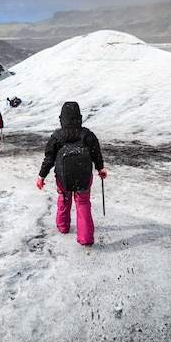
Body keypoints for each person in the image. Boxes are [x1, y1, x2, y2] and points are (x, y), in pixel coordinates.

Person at [36, 102, 107, 246]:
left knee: (63, 199)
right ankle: (86, 238)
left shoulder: (57, 136)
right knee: (83, 203)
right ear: (80, 117)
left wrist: (41, 176)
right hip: (84, 176)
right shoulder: (87, 134)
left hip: (63, 176)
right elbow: (96, 154)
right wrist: (100, 168)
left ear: (61, 118)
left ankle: (63, 227)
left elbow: (49, 158)